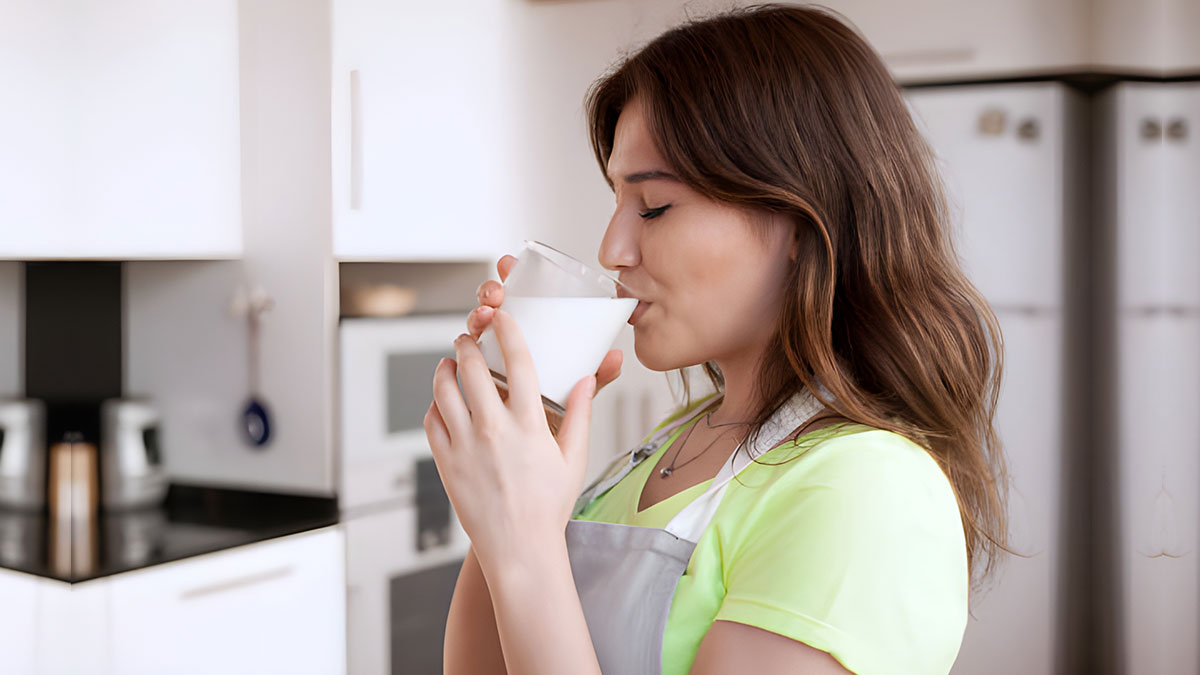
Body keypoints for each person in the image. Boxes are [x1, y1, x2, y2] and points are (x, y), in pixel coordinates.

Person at [424, 4, 1009, 674]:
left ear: (797, 221)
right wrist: (511, 483)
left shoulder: (868, 489)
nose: (612, 249)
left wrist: (526, 543)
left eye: (653, 206)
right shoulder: (669, 445)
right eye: (616, 201)